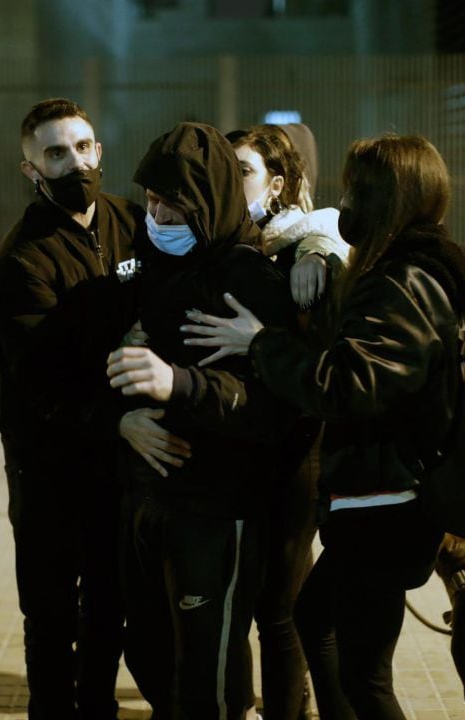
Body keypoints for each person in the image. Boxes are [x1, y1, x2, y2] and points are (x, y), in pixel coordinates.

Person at [181, 134, 465, 719]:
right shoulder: (403, 270)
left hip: (389, 499)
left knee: (362, 671)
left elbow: (347, 387)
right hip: (382, 496)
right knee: (318, 622)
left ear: (387, 197)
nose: (345, 203)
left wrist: (261, 342)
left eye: (355, 190)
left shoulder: (402, 282)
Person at [107, 122, 297, 719]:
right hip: (150, 498)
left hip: (218, 509)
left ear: (208, 200)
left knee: (206, 682)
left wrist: (179, 383)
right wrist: (125, 418)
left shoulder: (247, 276)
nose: (159, 214)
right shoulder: (153, 264)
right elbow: (120, 365)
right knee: (148, 653)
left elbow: (275, 408)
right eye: (153, 200)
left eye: (175, 203)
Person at [0, 98, 147, 719]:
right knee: (52, 612)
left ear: (99, 152)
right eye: (55, 153)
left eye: (83, 148)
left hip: (115, 458)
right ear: (31, 169)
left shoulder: (131, 222)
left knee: (110, 601)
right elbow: (38, 385)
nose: (74, 163)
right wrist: (117, 417)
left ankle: (100, 706)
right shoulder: (22, 260)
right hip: (48, 462)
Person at [227, 123, 351, 720]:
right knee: (244, 605)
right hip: (237, 451)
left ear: (277, 183)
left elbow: (324, 367)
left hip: (295, 451)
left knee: (279, 609)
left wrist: (319, 248)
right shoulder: (231, 241)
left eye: (243, 172)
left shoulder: (305, 247)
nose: (232, 183)